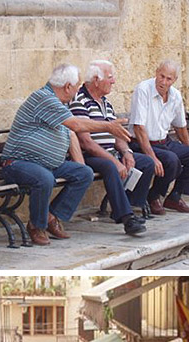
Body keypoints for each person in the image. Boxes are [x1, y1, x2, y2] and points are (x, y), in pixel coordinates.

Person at [1, 63, 131, 245]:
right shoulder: (43, 98)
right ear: (68, 87)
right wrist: (108, 126)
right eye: (77, 86)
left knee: (83, 173)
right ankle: (36, 225)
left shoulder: (60, 103)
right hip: (17, 164)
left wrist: (80, 162)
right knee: (44, 178)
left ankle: (52, 217)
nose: (78, 90)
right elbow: (76, 125)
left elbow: (71, 133)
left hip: (46, 164)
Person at [69, 60, 152, 236]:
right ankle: (127, 219)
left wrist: (126, 152)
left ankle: (126, 205)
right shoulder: (80, 101)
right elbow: (86, 142)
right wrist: (115, 160)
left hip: (109, 151)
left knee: (145, 162)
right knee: (110, 166)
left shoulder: (105, 102)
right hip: (89, 156)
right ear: (96, 80)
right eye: (110, 77)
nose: (114, 81)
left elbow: (117, 134)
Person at [129, 59, 189, 215]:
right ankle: (153, 196)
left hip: (164, 142)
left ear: (174, 80)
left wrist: (188, 147)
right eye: (161, 76)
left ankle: (175, 197)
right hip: (141, 143)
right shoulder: (143, 89)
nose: (163, 81)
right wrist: (153, 157)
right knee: (171, 160)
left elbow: (180, 125)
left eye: (168, 78)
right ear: (156, 73)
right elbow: (138, 127)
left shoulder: (175, 96)